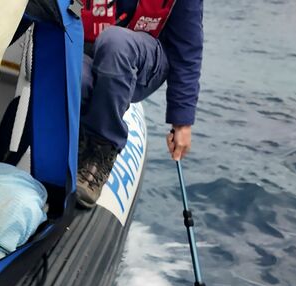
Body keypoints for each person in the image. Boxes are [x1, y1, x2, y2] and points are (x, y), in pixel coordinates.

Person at [76, 0, 204, 207]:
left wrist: (182, 122)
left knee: (115, 42)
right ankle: (73, 142)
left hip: (142, 57)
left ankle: (102, 151)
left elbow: (187, 51)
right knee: (77, 77)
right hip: (85, 48)